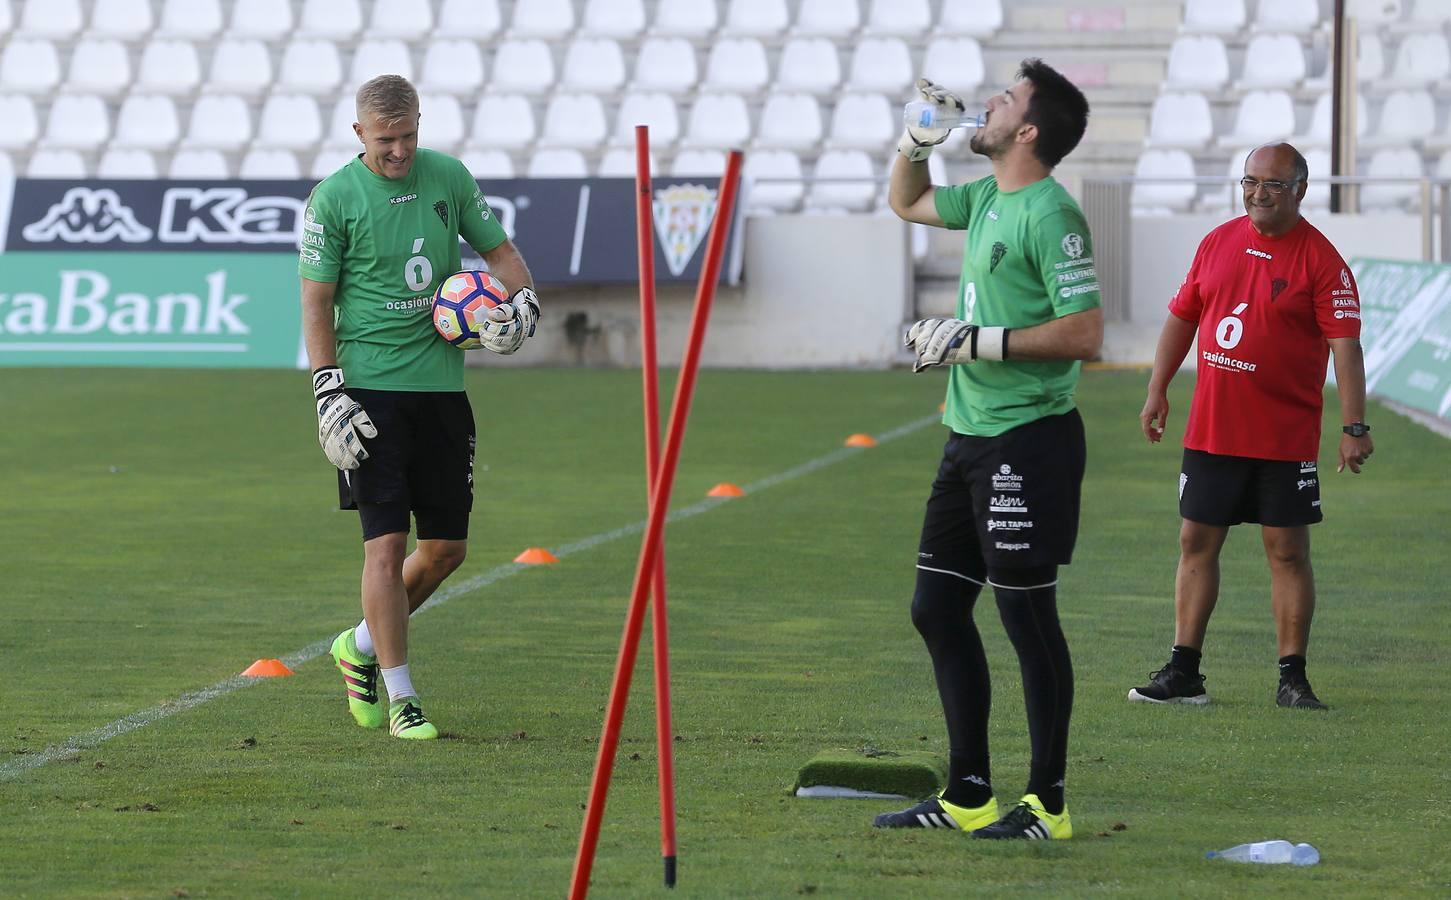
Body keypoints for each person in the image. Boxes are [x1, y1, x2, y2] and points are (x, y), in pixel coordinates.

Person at [875, 60, 1101, 840]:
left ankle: (1047, 803)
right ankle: (968, 791)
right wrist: (914, 141)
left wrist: (980, 341)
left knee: (1025, 617)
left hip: (1028, 440)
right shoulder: (984, 197)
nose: (988, 107)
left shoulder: (1050, 214)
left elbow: (1085, 333)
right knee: (935, 609)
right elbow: (905, 201)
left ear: (1027, 131)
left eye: (1004, 100)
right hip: (965, 435)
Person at [300, 75, 540, 740]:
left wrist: (524, 303)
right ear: (358, 135)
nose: (399, 150)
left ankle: (359, 645)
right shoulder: (334, 200)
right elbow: (316, 301)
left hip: (441, 389)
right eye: (385, 140)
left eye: (407, 135)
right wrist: (328, 389)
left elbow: (501, 254)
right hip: (370, 391)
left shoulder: (448, 178)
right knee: (384, 548)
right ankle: (403, 697)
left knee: (446, 550)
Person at [1127, 142, 1372, 712]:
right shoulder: (1217, 241)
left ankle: (1293, 677)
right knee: (1195, 541)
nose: (1259, 193)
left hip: (1284, 436)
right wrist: (1157, 387)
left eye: (1273, 184)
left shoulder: (1322, 260)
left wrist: (1354, 426)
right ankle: (1184, 671)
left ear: (1300, 191)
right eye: (1250, 182)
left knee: (1286, 550)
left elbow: (1346, 347)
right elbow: (1184, 314)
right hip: (1213, 429)